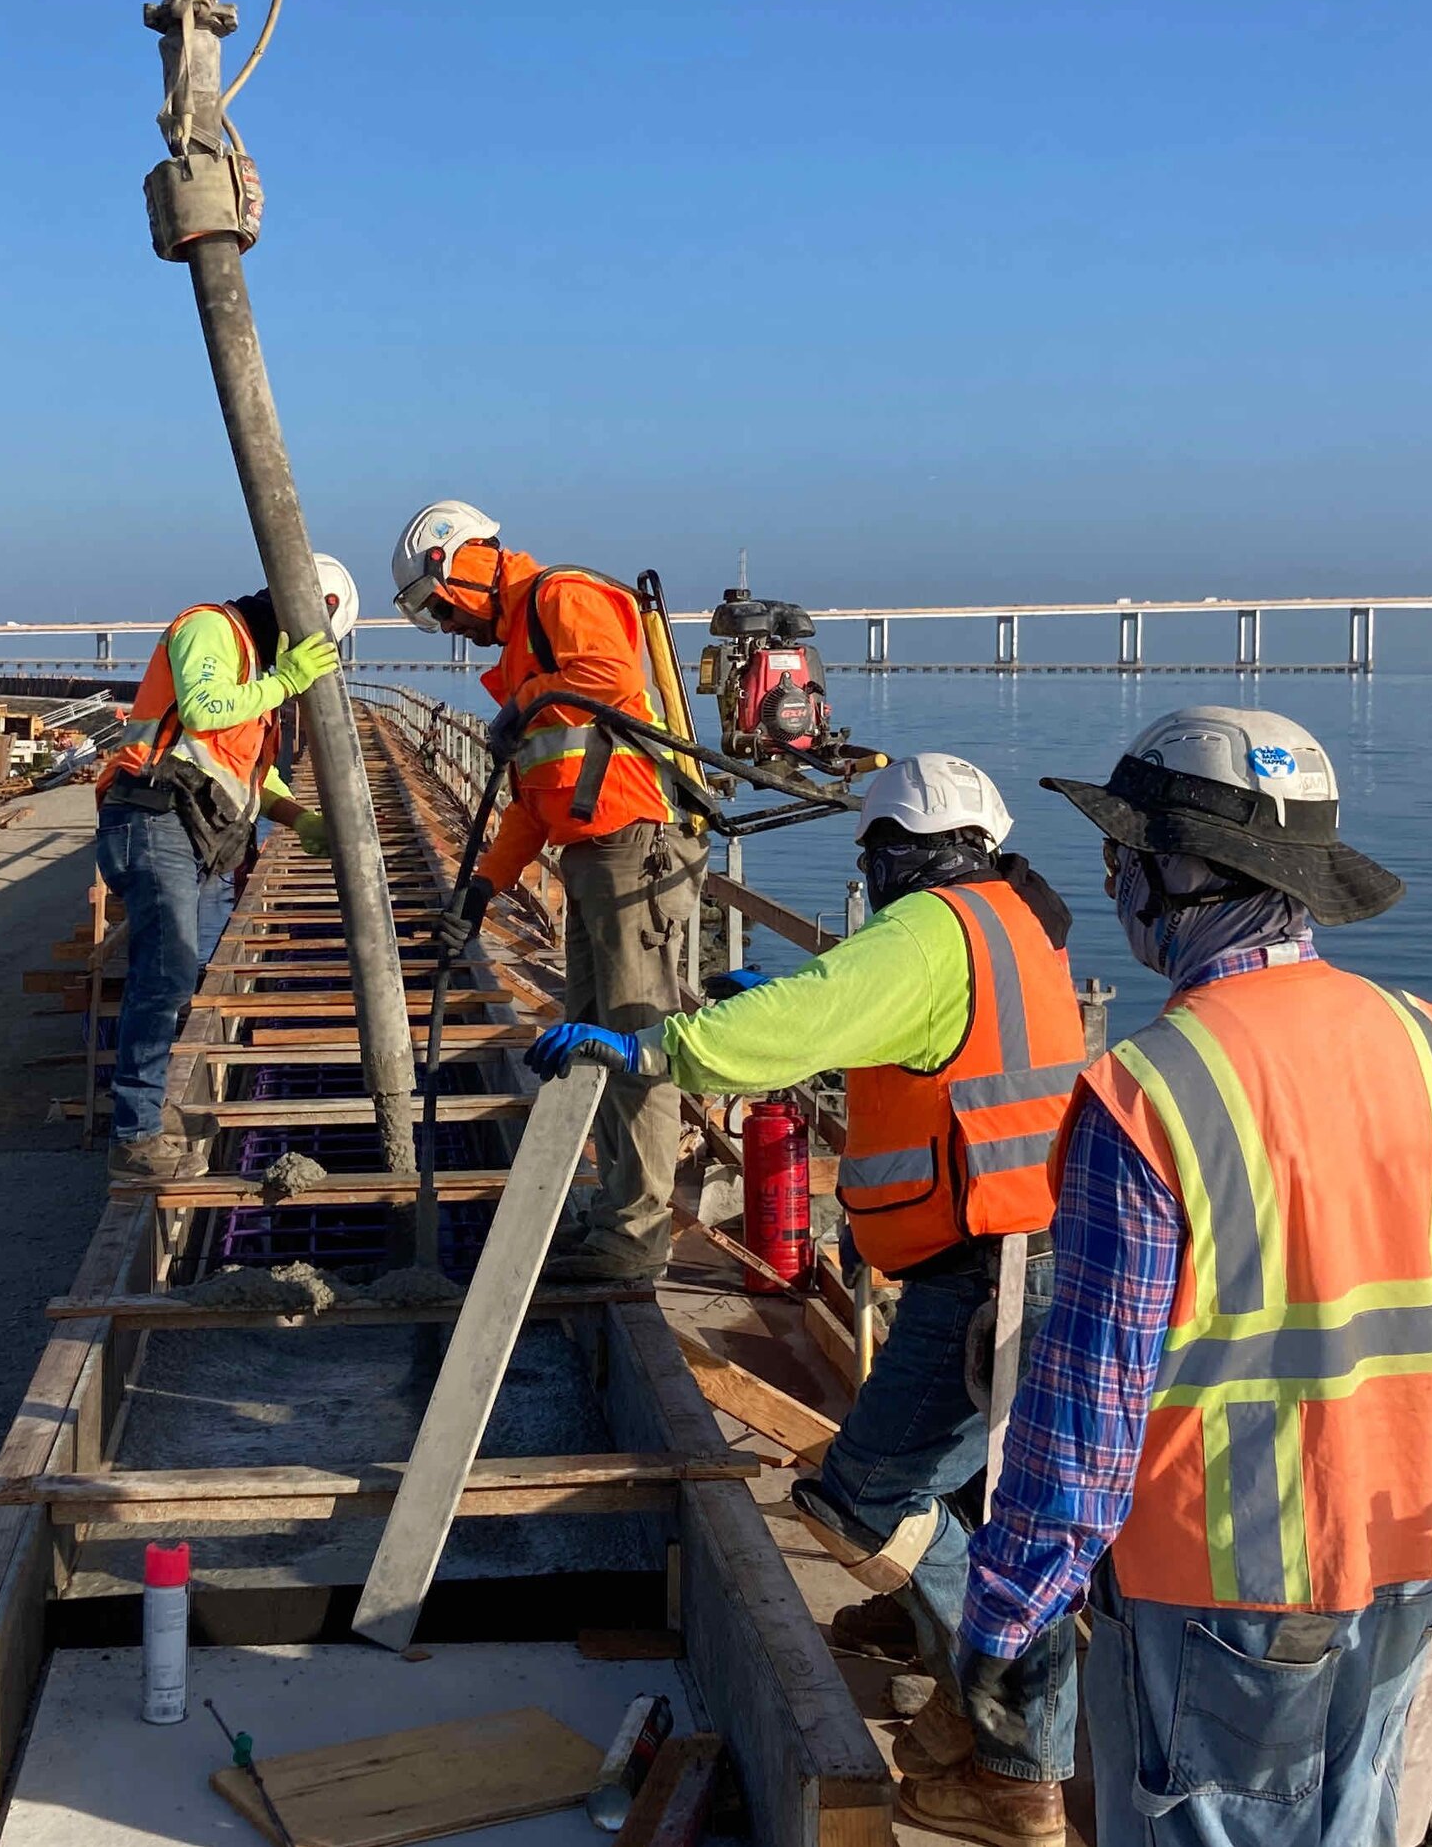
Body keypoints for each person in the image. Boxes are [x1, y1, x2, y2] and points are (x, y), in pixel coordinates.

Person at [959, 705, 1432, 1847]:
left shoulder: (1147, 1089)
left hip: (1217, 1584)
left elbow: (1091, 1405)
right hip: (1399, 1554)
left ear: (1182, 872)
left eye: (1124, 857)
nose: (1113, 880)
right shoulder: (1430, 1045)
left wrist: (1009, 1612)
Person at [525, 753, 1089, 1844]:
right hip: (1023, 1252)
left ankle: (1019, 1758)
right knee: (974, 1505)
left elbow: (828, 1012)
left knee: (864, 1498)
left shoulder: (929, 929)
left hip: (983, 1272)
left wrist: (652, 1043)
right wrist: (778, 1002)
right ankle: (960, 1692)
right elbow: (888, 1030)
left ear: (895, 853)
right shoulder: (1011, 916)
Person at [392, 500, 706, 1281]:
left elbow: (612, 678)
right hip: (595, 857)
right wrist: (479, 892)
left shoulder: (560, 596)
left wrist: (524, 702)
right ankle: (610, 1218)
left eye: (440, 605)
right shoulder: (527, 653)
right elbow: (536, 806)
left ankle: (635, 1236)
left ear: (460, 560)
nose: (449, 623)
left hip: (637, 847)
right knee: (594, 1037)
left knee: (636, 1040)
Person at [94, 556, 356, 1180]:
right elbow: (207, 708)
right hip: (154, 816)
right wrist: (285, 683)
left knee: (176, 973)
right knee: (167, 970)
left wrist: (300, 820)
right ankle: (133, 1136)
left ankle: (148, 1114)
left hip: (190, 832)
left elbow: (247, 774)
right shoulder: (212, 628)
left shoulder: (254, 672)